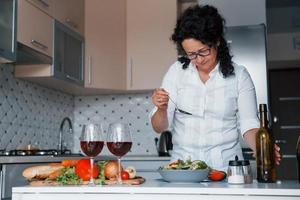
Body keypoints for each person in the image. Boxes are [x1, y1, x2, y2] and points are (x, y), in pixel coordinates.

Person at [150, 5, 280, 171]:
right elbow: (159, 127)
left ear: (217, 41)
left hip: (226, 170)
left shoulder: (239, 76)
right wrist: (161, 109)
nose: (198, 59)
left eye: (203, 51)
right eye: (191, 54)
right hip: (183, 170)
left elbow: (249, 124)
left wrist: (261, 147)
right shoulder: (176, 72)